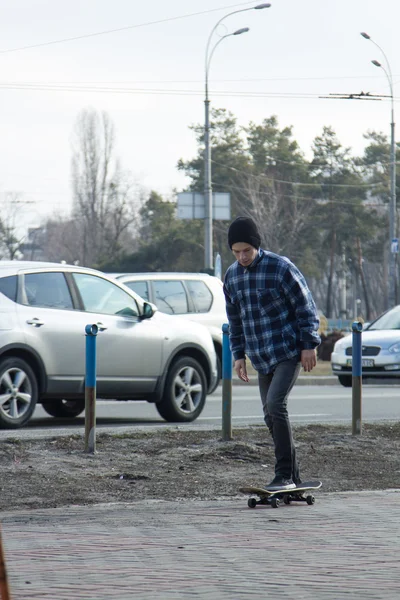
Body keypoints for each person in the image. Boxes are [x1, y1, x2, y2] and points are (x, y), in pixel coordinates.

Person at [223, 216, 320, 491]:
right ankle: (295, 478)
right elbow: (235, 320)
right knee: (270, 415)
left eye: (247, 251)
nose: (242, 257)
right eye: (236, 252)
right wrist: (238, 355)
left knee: (277, 406)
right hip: (260, 355)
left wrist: (309, 344)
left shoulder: (280, 268)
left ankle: (283, 475)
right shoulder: (231, 277)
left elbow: (305, 306)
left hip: (288, 351)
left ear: (256, 246)